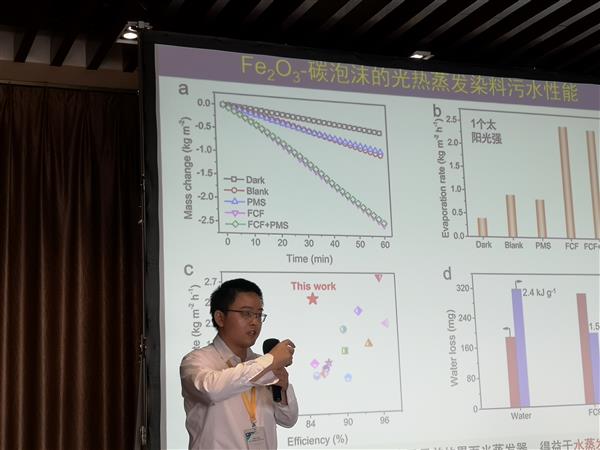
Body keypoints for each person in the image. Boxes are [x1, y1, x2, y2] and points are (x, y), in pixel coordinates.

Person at [180, 278, 298, 449]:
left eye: (258, 315)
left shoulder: (262, 364)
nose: (255, 322)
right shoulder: (195, 361)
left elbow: (288, 419)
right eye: (246, 313)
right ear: (220, 318)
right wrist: (270, 360)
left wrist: (283, 388)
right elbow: (211, 390)